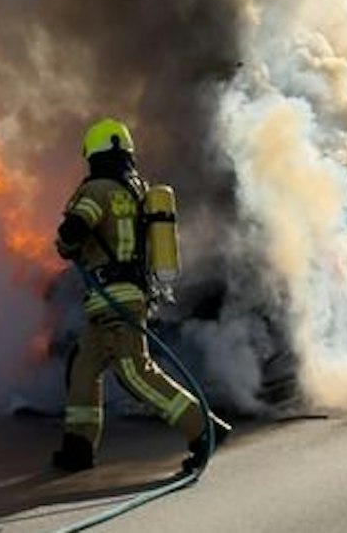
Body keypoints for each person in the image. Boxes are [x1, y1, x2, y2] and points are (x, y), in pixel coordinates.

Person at [52, 117, 230, 473]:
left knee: (136, 373)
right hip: (122, 297)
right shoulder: (137, 190)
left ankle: (205, 429)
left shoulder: (97, 190)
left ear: (95, 154)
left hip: (114, 298)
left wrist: (66, 242)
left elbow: (73, 231)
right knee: (84, 368)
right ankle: (78, 448)